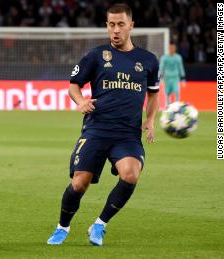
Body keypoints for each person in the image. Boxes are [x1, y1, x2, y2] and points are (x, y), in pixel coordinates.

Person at [47, 3, 159, 246]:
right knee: (79, 183)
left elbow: (153, 94)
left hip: (127, 134)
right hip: (96, 129)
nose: (115, 30)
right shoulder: (96, 56)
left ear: (131, 25)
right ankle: (62, 227)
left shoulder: (148, 60)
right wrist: (80, 101)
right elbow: (73, 85)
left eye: (120, 24)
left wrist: (150, 120)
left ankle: (99, 224)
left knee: (131, 175)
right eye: (111, 25)